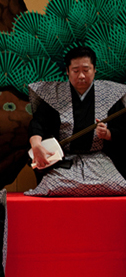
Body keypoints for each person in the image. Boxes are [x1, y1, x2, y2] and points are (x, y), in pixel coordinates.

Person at [27, 45, 126, 196]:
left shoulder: (109, 95)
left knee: (118, 185)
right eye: (75, 71)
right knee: (52, 186)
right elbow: (38, 123)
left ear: (94, 70)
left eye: (86, 70)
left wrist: (108, 134)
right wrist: (36, 145)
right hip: (66, 159)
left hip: (99, 159)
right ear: (67, 71)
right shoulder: (54, 95)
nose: (81, 76)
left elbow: (123, 128)